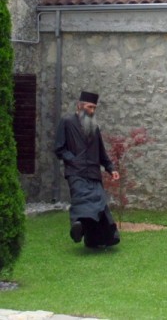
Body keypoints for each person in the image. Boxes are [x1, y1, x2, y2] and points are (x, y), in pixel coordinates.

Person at [54, 91, 121, 248]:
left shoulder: (94, 128)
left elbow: (101, 152)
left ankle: (96, 240)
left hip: (93, 174)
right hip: (75, 173)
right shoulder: (66, 122)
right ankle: (78, 227)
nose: (92, 111)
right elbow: (59, 148)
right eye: (90, 107)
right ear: (79, 105)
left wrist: (111, 168)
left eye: (94, 108)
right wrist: (73, 160)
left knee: (99, 205)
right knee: (82, 201)